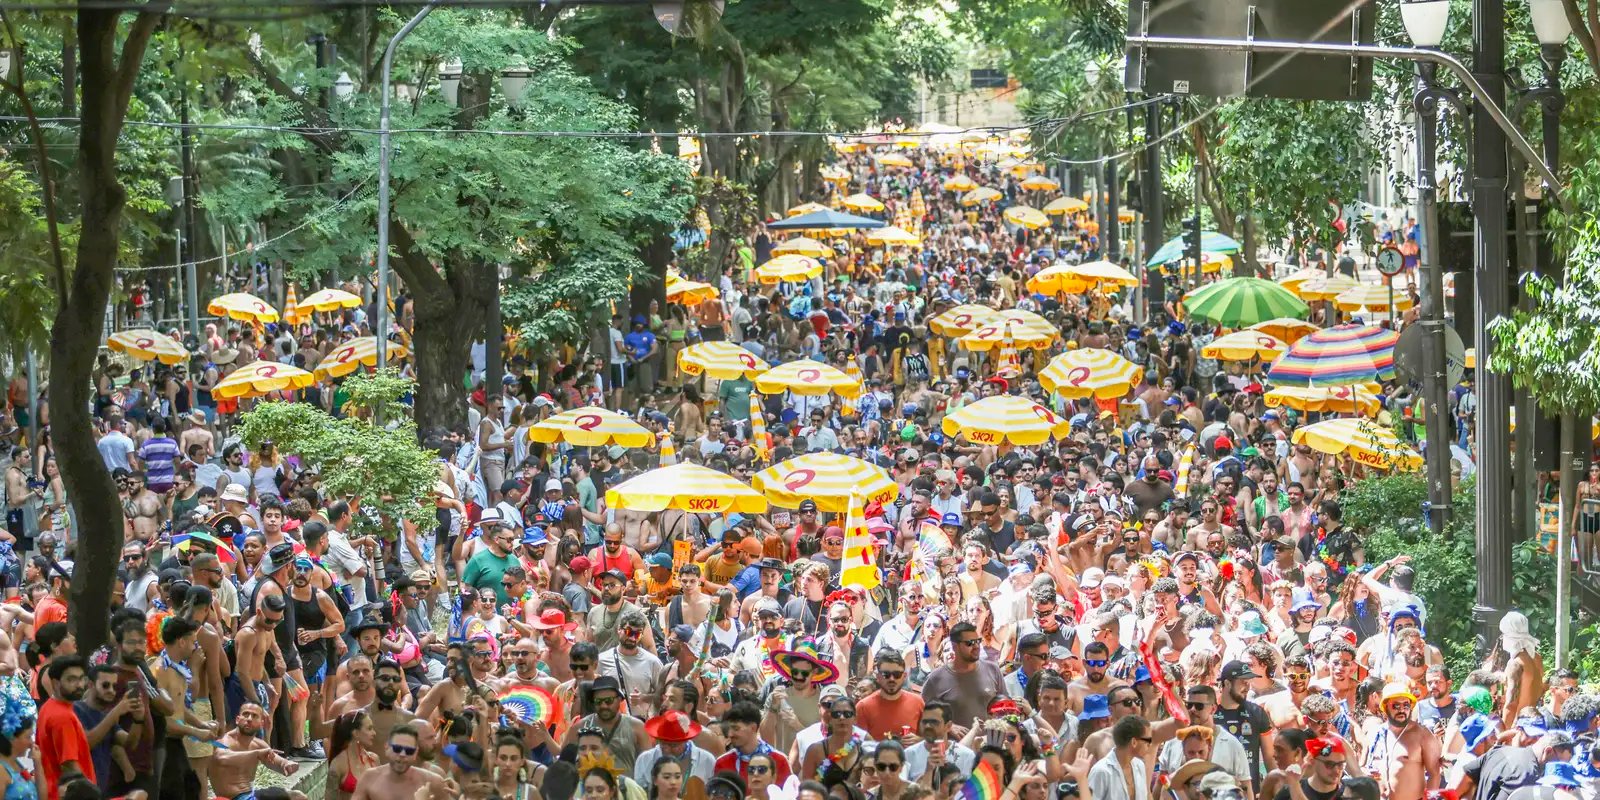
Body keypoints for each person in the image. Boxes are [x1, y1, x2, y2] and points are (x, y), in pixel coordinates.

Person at [209, 703, 301, 800]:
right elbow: (221, 757)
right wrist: (256, 754)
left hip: (250, 795)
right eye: (245, 714)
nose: (249, 719)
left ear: (261, 724)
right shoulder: (225, 740)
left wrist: (286, 764)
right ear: (237, 720)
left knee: (298, 797)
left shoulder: (258, 744)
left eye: (254, 716)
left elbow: (276, 760)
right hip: (232, 798)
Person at [37, 656, 95, 800]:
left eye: (81, 678)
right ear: (55, 683)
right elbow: (69, 764)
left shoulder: (49, 706)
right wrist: (89, 795)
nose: (79, 685)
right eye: (71, 679)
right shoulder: (63, 717)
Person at [1086, 715, 1153, 800]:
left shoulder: (1140, 766)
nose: (1150, 745)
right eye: (1148, 741)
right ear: (1134, 742)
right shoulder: (1101, 771)